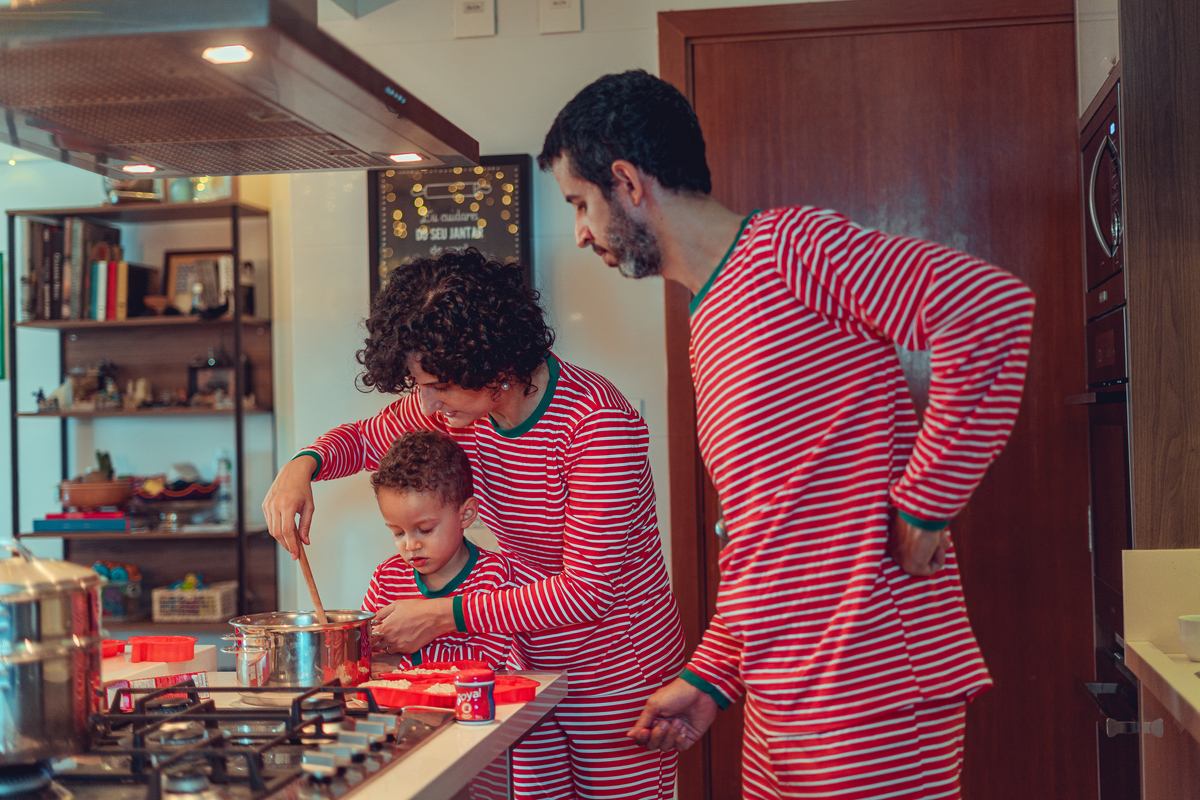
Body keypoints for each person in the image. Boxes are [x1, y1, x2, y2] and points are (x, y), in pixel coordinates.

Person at [538, 69, 1035, 799]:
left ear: (627, 183)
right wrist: (710, 676)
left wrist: (927, 502)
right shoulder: (708, 317)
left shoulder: (787, 249)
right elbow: (768, 533)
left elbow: (988, 308)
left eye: (581, 204)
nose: (582, 233)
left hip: (872, 683)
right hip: (782, 693)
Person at [262, 248, 685, 800]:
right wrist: (304, 465)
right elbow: (366, 437)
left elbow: (589, 591)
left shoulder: (596, 426)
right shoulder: (457, 407)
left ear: (495, 363)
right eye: (419, 384)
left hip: (615, 668)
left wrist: (444, 614)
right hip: (528, 663)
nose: (426, 402)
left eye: (437, 384)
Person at [361, 429, 538, 670]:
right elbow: (366, 647)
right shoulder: (386, 577)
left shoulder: (493, 576)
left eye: (425, 529)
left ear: (466, 514)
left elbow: (487, 659)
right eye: (398, 533)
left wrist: (405, 661)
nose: (411, 545)